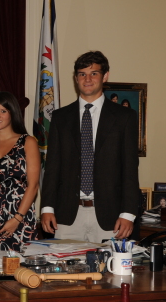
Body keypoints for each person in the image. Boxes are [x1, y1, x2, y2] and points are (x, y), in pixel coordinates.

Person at [41, 51, 139, 243]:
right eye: (82, 74)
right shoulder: (60, 118)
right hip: (67, 216)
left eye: (93, 73)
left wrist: (128, 214)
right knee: (65, 273)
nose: (87, 79)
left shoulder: (124, 117)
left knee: (110, 272)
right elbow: (52, 167)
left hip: (111, 217)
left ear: (105, 76)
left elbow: (130, 169)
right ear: (76, 78)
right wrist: (47, 208)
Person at [0, 92, 40, 252]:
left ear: (12, 113)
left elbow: (33, 186)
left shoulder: (28, 142)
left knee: (20, 273)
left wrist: (17, 219)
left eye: (3, 111)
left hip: (19, 221)